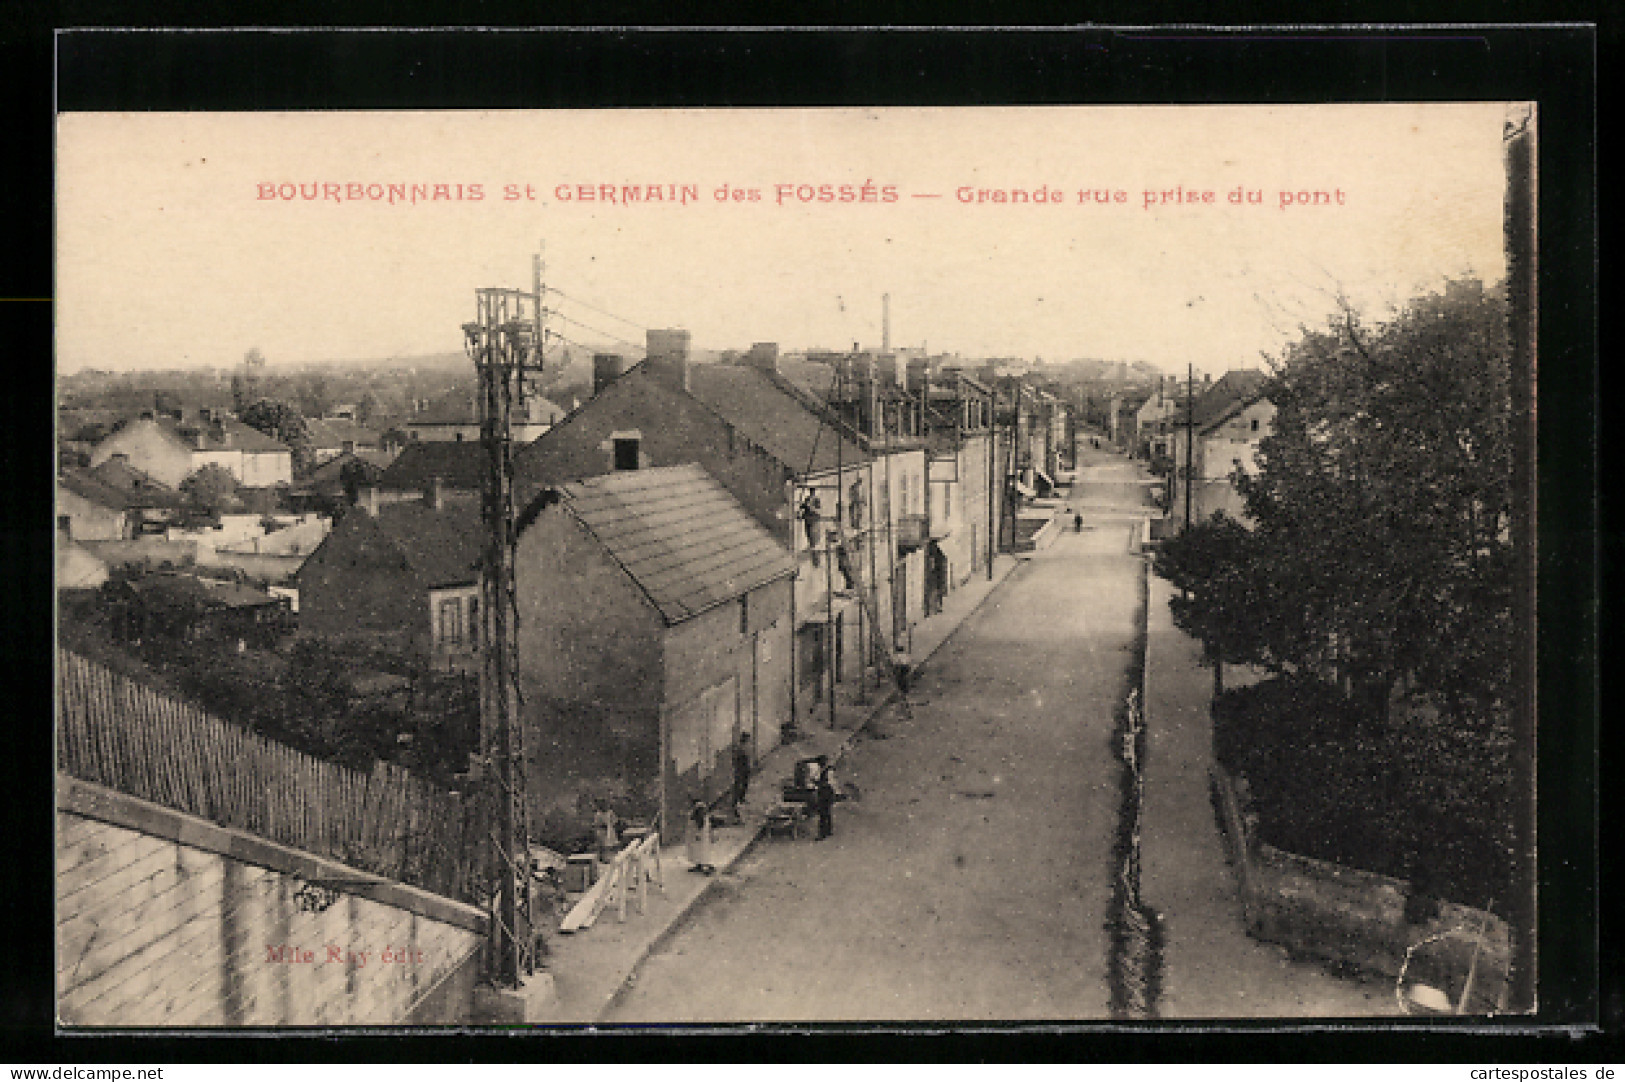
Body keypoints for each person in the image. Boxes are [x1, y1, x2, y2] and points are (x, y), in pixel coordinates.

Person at [729, 733, 752, 824]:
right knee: (738, 786)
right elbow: (736, 761)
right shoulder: (740, 749)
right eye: (748, 739)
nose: (749, 741)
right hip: (740, 771)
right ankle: (735, 804)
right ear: (744, 740)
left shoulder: (745, 748)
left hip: (744, 770)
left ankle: (740, 800)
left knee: (744, 784)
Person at [687, 799, 715, 874]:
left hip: (701, 837)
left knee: (702, 851)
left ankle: (704, 866)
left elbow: (701, 826)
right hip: (697, 837)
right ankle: (699, 865)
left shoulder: (701, 817)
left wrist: (698, 834)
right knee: (697, 850)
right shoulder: (697, 816)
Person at [814, 756, 837, 840]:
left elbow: (831, 782)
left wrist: (819, 783)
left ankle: (822, 834)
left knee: (823, 813)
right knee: (826, 812)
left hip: (825, 793)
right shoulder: (824, 771)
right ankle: (828, 831)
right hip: (825, 792)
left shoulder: (828, 771)